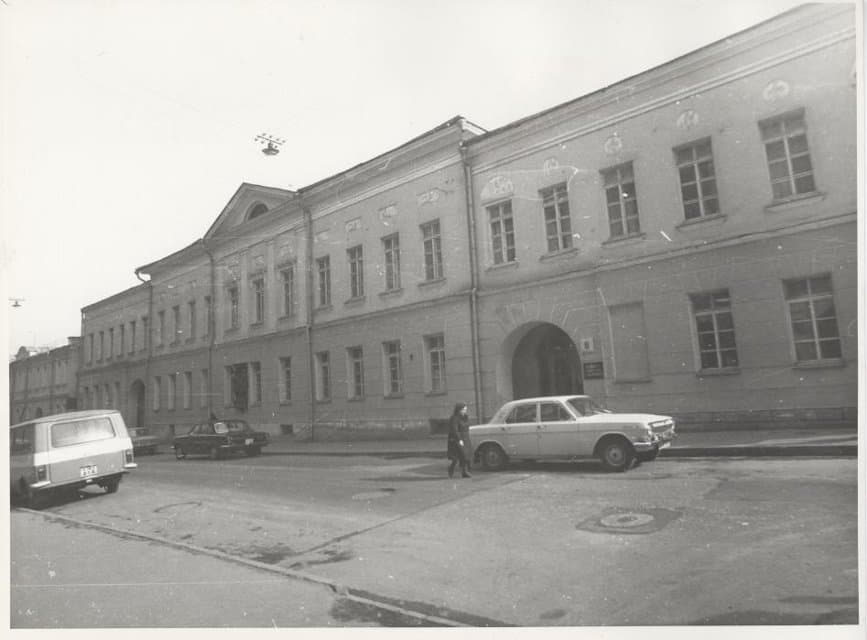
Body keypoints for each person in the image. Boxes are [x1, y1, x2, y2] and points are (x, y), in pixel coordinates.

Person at [447, 402, 472, 478]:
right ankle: (451, 468)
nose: (465, 411)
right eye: (463, 409)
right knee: (456, 457)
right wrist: (459, 439)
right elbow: (455, 430)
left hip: (466, 438)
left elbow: (467, 426)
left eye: (466, 409)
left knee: (465, 456)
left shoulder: (465, 417)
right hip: (456, 439)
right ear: (459, 410)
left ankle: (464, 472)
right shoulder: (454, 418)